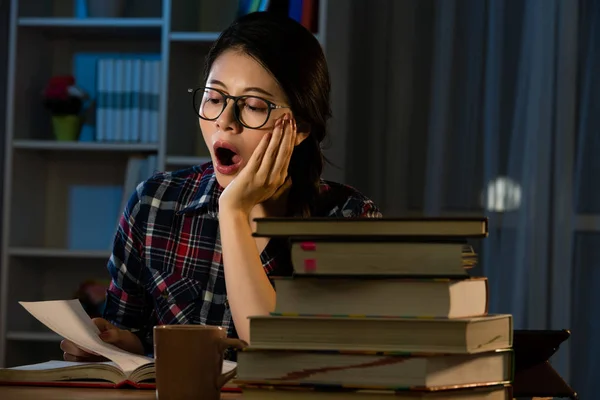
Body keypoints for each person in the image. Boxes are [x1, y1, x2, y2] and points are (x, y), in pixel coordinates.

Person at [60, 11, 381, 362]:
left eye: (254, 106)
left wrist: (234, 211)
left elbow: (279, 356)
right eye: (214, 99)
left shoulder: (349, 220)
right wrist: (114, 343)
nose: (224, 123)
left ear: (301, 127)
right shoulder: (154, 204)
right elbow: (131, 332)